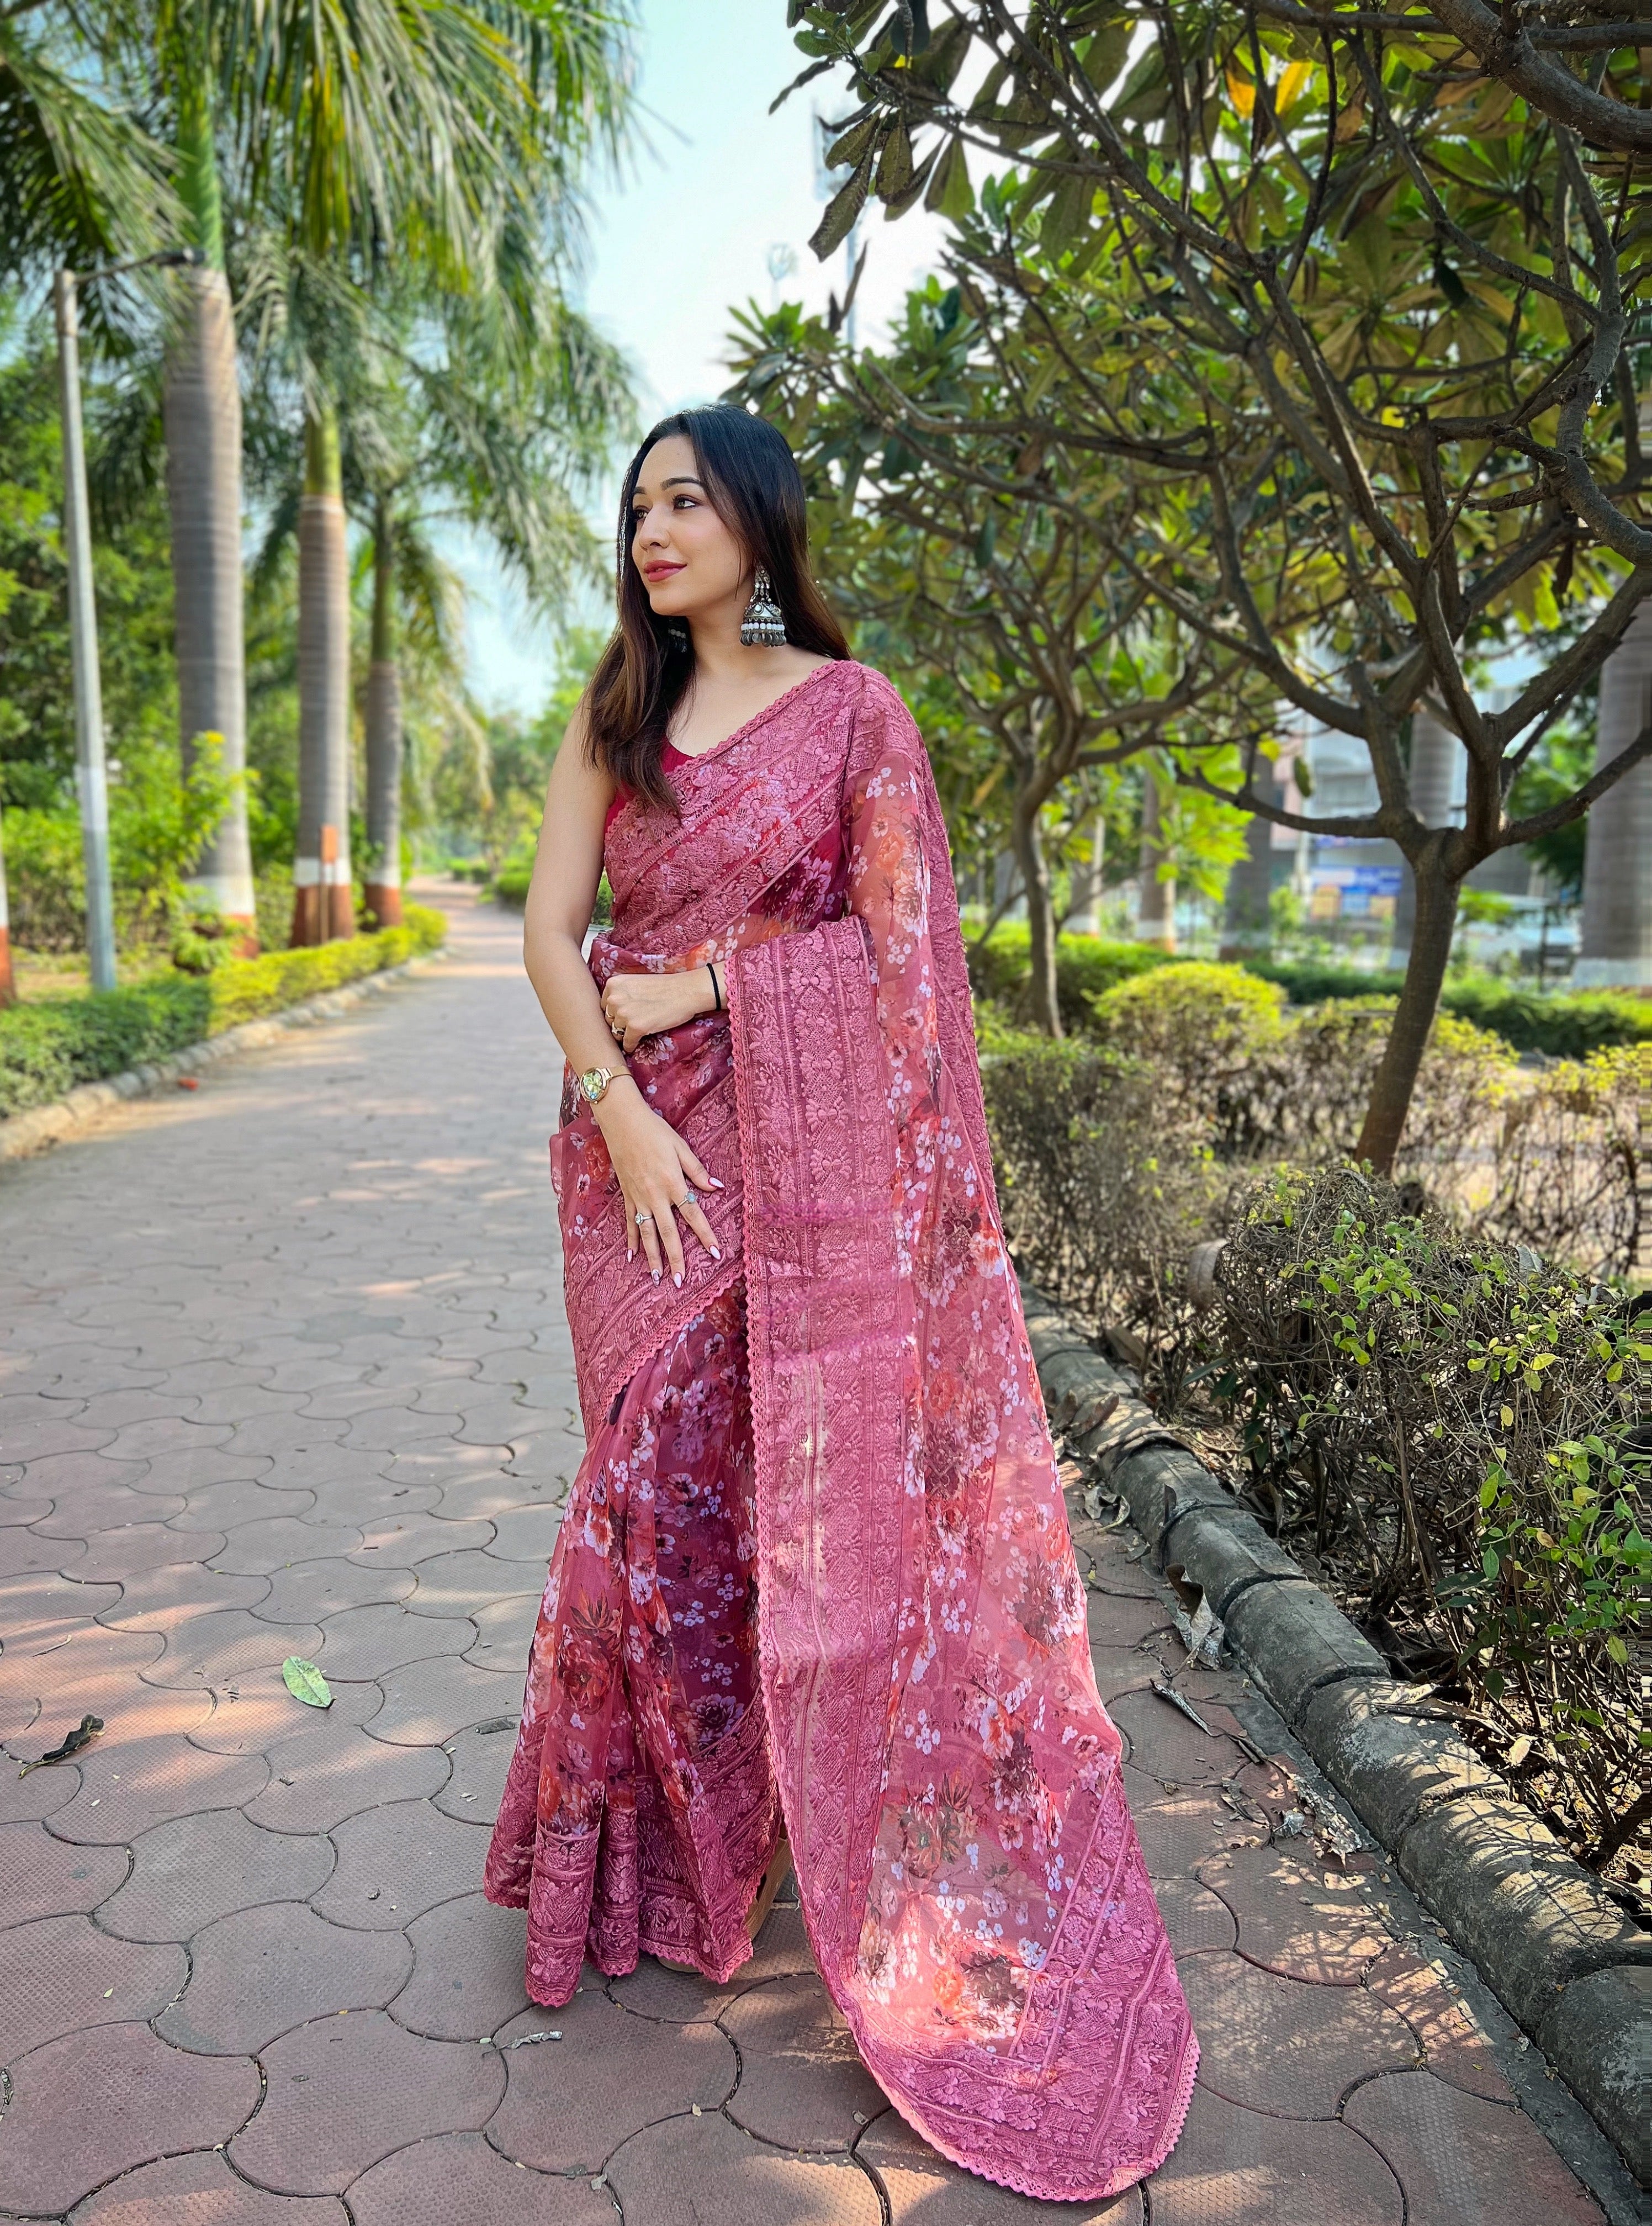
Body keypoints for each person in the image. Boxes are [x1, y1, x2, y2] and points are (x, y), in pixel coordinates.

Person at [485, 404, 1196, 2202]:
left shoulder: (856, 715)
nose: (651, 529)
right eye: (633, 500)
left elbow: (898, 960)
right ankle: (649, 1852)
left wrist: (712, 980)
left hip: (800, 1181)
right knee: (642, 1491)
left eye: (683, 498)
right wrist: (624, 1113)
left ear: (757, 520)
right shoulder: (614, 712)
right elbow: (548, 932)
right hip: (638, 1172)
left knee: (758, 1495)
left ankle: (774, 1826)